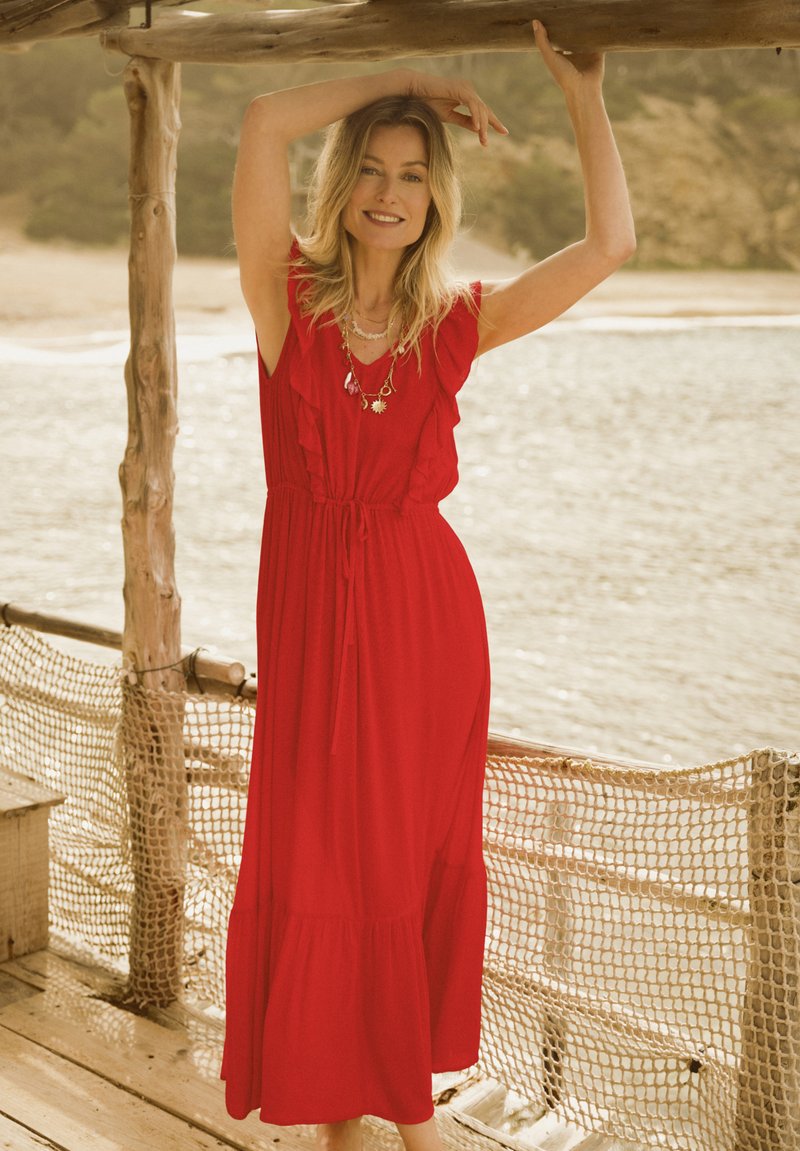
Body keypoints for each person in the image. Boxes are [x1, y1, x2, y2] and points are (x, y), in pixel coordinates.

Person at [221, 19, 635, 1151]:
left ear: (433, 197)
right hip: (311, 622)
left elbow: (608, 244)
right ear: (343, 184)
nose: (389, 192)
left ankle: (404, 1113)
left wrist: (582, 94)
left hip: (421, 628)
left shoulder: (452, 327)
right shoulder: (285, 304)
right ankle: (363, 1115)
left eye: (412, 174)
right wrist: (409, 78)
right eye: (371, 167)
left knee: (394, 864)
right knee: (322, 858)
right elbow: (262, 121)